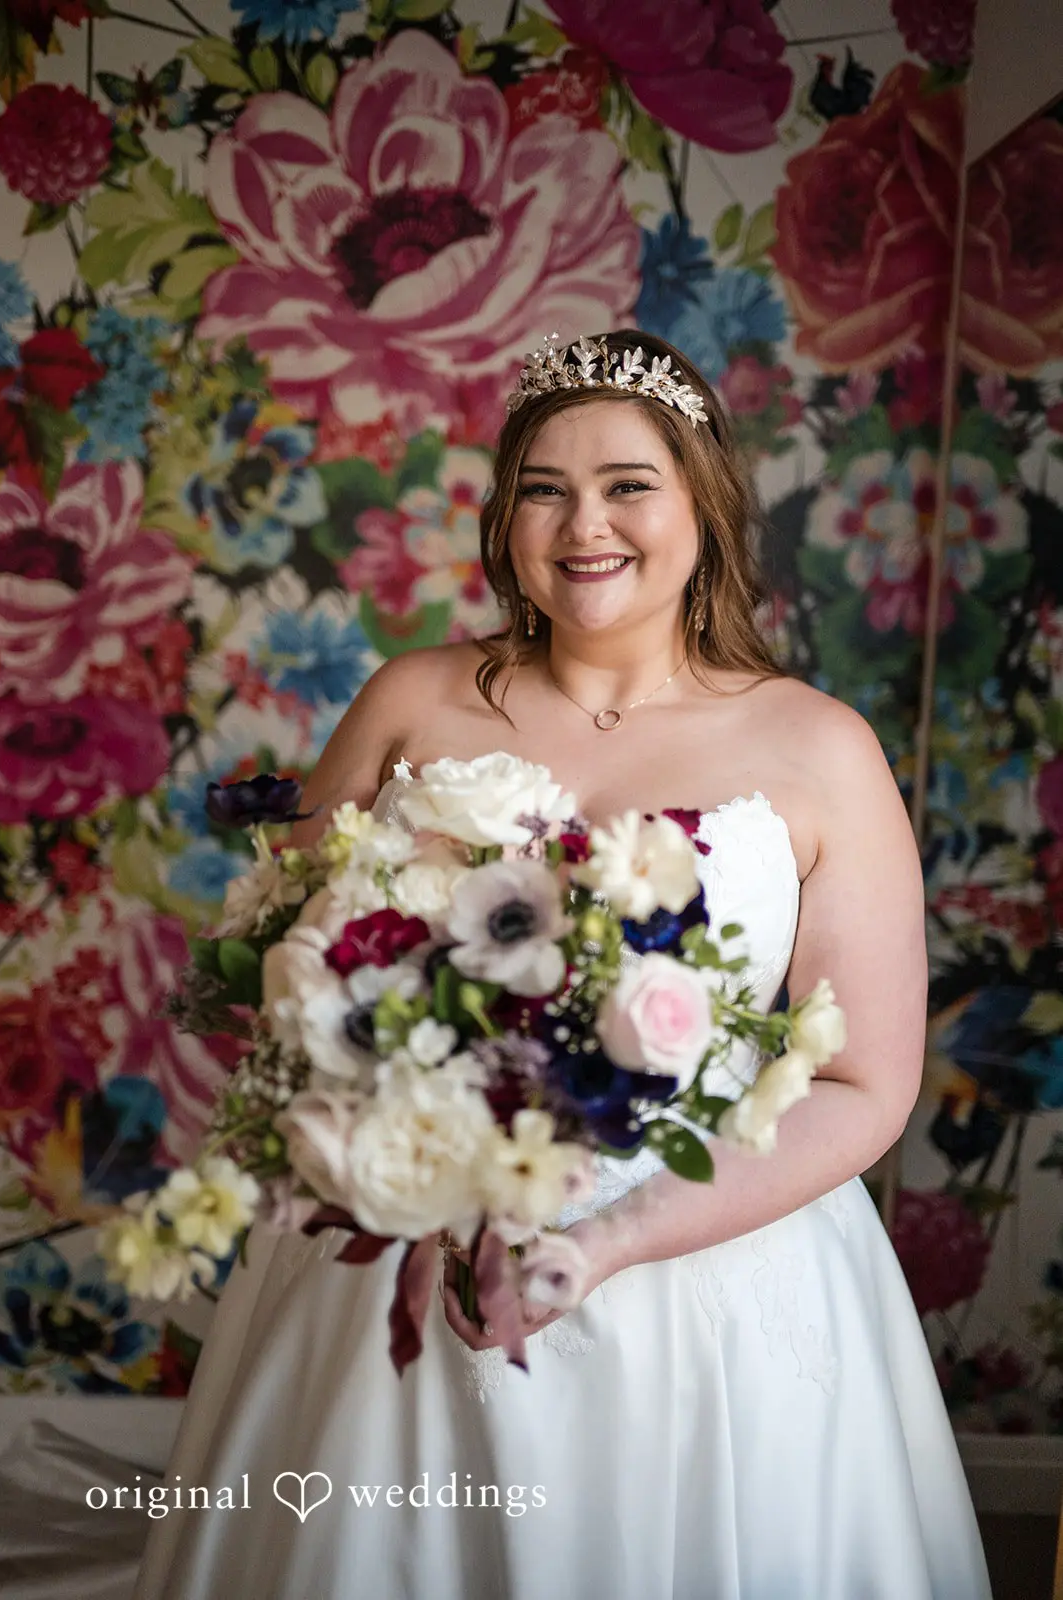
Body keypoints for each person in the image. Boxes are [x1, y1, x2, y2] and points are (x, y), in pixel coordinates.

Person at [131, 331, 991, 1599]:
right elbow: (293, 973)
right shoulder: (412, 701)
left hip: (708, 1285)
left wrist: (604, 1241)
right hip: (406, 1250)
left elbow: (864, 1084)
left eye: (627, 483)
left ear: (701, 499)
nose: (582, 522)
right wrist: (406, 1140)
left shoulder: (820, 748)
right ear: (504, 518)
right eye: (543, 487)